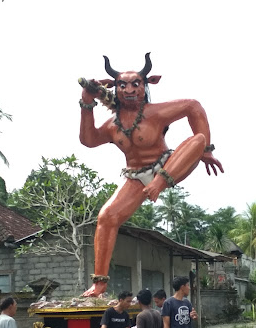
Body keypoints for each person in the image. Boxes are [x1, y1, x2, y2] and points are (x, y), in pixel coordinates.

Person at [78, 54, 224, 296]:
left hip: (169, 166)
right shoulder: (113, 125)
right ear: (113, 87)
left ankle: (160, 182)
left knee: (197, 140)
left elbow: (193, 106)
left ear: (146, 85)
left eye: (136, 83)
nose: (129, 89)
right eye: (122, 85)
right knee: (106, 217)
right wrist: (86, 102)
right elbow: (89, 140)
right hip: (136, 177)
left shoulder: (155, 112)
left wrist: (206, 150)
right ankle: (99, 284)